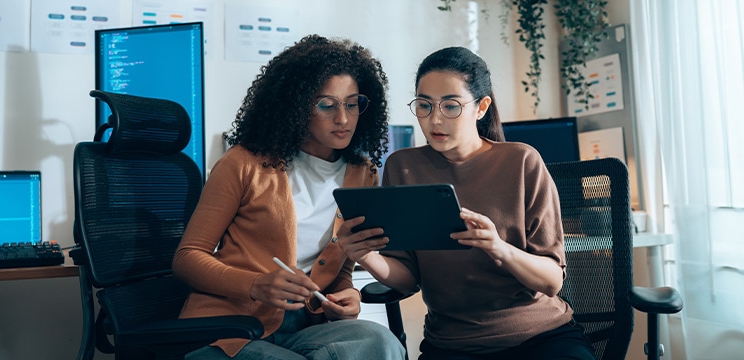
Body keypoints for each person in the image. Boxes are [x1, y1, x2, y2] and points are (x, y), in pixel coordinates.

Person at [337, 46, 596, 360]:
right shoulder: (402, 167)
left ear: (481, 107)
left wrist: (498, 247)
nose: (435, 119)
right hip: (453, 345)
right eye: (424, 105)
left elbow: (552, 281)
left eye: (450, 106)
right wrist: (366, 257)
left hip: (540, 337)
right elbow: (406, 279)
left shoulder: (521, 161)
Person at [173, 34, 405, 360]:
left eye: (352, 104)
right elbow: (186, 258)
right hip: (229, 329)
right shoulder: (243, 163)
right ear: (295, 107)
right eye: (327, 105)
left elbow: (338, 269)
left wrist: (347, 294)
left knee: (380, 342)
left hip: (304, 329)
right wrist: (255, 284)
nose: (343, 118)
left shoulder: (361, 173)